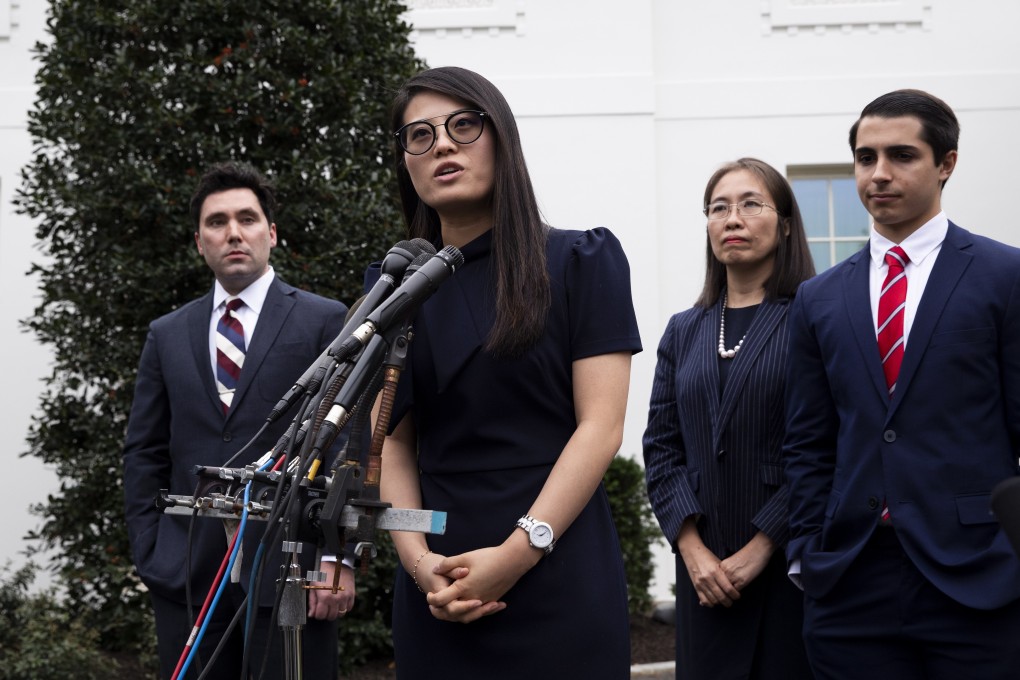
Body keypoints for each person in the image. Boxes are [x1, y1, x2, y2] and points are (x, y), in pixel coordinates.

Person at [374, 66, 642, 679]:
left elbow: (600, 428)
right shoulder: (391, 288)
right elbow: (390, 445)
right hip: (438, 585)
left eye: (463, 125)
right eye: (419, 135)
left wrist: (520, 551)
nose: (441, 144)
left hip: (558, 562)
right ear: (406, 165)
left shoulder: (581, 261)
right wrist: (418, 563)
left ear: (503, 138)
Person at [784, 89, 1020, 679]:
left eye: (902, 156)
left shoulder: (1005, 276)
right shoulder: (819, 297)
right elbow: (808, 440)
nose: (879, 174)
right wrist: (808, 552)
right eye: (866, 158)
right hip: (849, 581)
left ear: (946, 163)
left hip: (979, 577)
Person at [122, 161, 354, 680]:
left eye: (247, 218)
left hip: (292, 567)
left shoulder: (325, 319)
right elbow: (144, 450)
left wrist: (338, 558)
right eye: (217, 221)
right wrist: (150, 551)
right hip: (184, 575)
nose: (233, 232)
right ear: (199, 241)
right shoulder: (167, 333)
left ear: (271, 233)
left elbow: (343, 448)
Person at [642, 158, 815, 680]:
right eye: (719, 208)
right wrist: (691, 548)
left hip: (787, 566)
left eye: (749, 204)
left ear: (784, 223)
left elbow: (827, 446)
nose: (732, 219)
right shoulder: (684, 329)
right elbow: (662, 447)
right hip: (703, 575)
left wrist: (762, 547)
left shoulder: (814, 318)